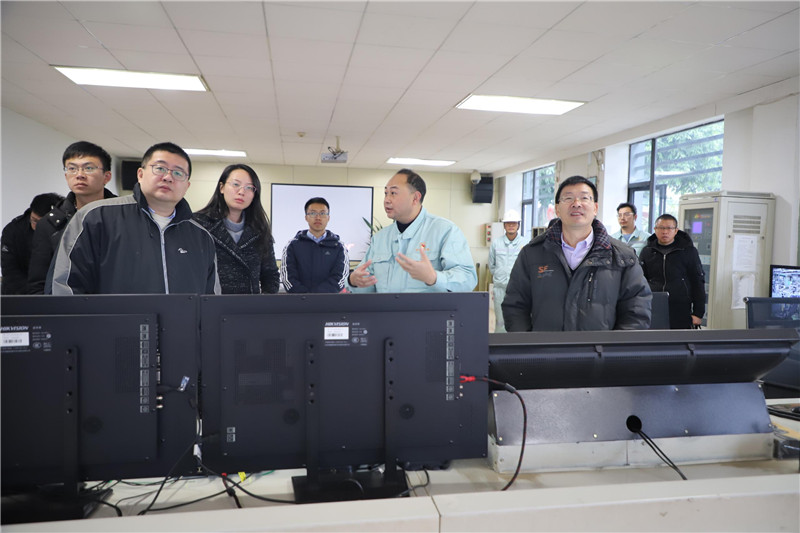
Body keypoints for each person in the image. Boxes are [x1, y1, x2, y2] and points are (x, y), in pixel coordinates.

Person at [51, 142, 220, 295]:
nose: (168, 177)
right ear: (140, 174)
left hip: (182, 322)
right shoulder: (95, 218)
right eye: (160, 168)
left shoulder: (201, 237)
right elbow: (66, 288)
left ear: (187, 186)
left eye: (178, 173)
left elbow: (210, 300)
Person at [502, 175, 651, 331]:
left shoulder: (622, 257)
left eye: (584, 198)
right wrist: (529, 344)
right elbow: (515, 306)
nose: (576, 204)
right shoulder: (532, 254)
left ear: (595, 208)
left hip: (601, 347)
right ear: (557, 209)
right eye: (568, 198)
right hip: (544, 346)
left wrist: (613, 347)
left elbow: (636, 311)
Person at [348, 169, 477, 293]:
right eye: (386, 193)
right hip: (386, 309)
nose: (386, 200)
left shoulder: (445, 231)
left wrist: (434, 278)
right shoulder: (380, 238)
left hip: (428, 309)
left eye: (393, 193)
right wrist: (353, 281)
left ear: (415, 198)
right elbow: (367, 286)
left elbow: (468, 279)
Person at [27, 141, 117, 294]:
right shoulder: (50, 224)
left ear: (106, 176)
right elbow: (39, 282)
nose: (79, 175)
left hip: (117, 302)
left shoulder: (124, 215)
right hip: (69, 304)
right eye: (72, 169)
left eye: (89, 168)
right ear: (66, 175)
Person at [194, 164, 279, 294]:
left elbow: (270, 275)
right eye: (235, 184)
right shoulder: (198, 224)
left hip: (249, 305)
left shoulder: (260, 230)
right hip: (210, 304)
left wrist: (265, 302)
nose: (241, 192)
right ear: (221, 187)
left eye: (249, 187)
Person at [639, 214, 705, 329]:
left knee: (678, 339)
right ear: (655, 229)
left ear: (676, 231)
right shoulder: (647, 251)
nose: (665, 232)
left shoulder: (688, 251)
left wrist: (698, 313)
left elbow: (698, 282)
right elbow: (640, 281)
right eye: (661, 228)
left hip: (681, 307)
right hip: (653, 306)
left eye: (669, 228)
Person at [280, 197, 349, 293]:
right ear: (306, 217)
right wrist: (305, 297)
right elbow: (288, 278)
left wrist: (318, 297)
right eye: (313, 213)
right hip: (298, 300)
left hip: (329, 300)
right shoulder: (293, 245)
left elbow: (340, 278)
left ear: (328, 218)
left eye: (322, 213)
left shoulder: (338, 246)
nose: (318, 218)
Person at [1, 193, 63, 294]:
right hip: (18, 293)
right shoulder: (13, 230)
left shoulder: (64, 228)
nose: (38, 226)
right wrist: (35, 295)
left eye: (43, 223)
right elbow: (10, 271)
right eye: (34, 221)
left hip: (54, 291)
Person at [488, 209, 525, 332]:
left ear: (518, 225)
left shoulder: (525, 243)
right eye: (508, 223)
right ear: (504, 225)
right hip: (500, 289)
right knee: (500, 321)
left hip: (519, 289)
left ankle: (516, 342)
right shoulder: (496, 243)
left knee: (518, 319)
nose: (511, 226)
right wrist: (500, 277)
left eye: (514, 223)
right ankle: (499, 341)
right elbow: (492, 265)